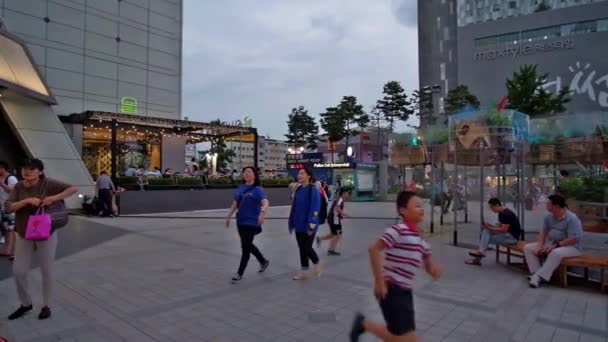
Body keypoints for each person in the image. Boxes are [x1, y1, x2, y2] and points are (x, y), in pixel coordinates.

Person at [350, 191, 442, 342]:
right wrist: (379, 281)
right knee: (405, 339)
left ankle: (363, 324)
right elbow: (374, 249)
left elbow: (429, 266)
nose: (421, 209)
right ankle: (364, 324)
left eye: (422, 205)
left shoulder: (420, 238)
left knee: (400, 337)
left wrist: (434, 271)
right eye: (417, 206)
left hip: (405, 292)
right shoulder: (397, 230)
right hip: (392, 290)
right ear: (403, 210)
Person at [5, 159, 78, 320]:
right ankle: (25, 304)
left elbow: (73, 188)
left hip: (46, 232)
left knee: (46, 270)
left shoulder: (48, 183)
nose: (27, 172)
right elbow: (8, 207)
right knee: (19, 271)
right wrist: (26, 201)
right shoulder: (18, 187)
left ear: (40, 171)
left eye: (32, 169)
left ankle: (46, 305)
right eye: (24, 168)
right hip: (24, 233)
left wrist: (54, 198)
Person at [524, 194, 583, 288]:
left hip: (571, 247)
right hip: (552, 244)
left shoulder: (572, 219)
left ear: (556, 206)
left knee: (556, 252)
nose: (546, 205)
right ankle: (536, 272)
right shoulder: (548, 217)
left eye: (548, 204)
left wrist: (555, 246)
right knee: (528, 248)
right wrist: (539, 245)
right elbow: (543, 232)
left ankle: (539, 276)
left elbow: (573, 239)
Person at [225, 167, 270, 283]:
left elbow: (265, 202)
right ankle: (263, 261)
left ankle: (239, 273)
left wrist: (263, 212)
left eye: (249, 172)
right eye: (245, 172)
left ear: (254, 175)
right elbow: (235, 203)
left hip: (252, 222)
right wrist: (229, 215)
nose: (246, 174)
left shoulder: (258, 189)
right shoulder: (241, 187)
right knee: (247, 245)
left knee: (245, 247)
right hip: (240, 221)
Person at [288, 167, 322, 280]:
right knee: (302, 249)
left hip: (308, 225)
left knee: (307, 248)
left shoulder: (313, 189)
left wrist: (311, 226)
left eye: (302, 173)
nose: (299, 175)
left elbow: (315, 209)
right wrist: (291, 222)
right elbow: (294, 207)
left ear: (309, 176)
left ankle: (317, 263)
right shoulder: (298, 189)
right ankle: (304, 272)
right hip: (298, 224)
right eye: (299, 174)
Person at [465, 198, 521, 266]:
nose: (491, 209)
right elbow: (500, 226)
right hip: (506, 234)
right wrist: (489, 226)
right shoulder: (501, 213)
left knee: (486, 239)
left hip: (512, 237)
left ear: (497, 205)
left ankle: (478, 257)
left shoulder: (507, 213)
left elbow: (504, 229)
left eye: (492, 207)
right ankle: (480, 253)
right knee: (486, 232)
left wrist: (490, 227)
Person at [317, 187, 352, 256]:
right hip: (334, 220)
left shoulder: (339, 199)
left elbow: (334, 209)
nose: (348, 194)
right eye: (348, 193)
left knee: (333, 234)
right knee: (337, 234)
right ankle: (331, 250)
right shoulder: (340, 199)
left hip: (333, 219)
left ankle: (319, 238)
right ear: (344, 193)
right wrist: (345, 215)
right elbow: (336, 208)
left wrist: (340, 216)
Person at [0, 161, 18, 259]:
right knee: (6, 229)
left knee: (11, 229)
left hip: (10, 207)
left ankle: (15, 252)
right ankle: (7, 250)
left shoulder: (11, 178)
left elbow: (13, 190)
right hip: (2, 208)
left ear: (3, 168)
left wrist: (2, 184)